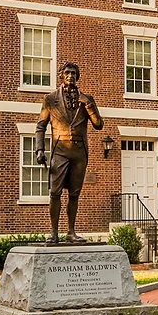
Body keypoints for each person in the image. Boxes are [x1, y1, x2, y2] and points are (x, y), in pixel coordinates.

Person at [34, 61, 104, 244]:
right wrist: (39, 149)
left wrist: (89, 105)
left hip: (79, 153)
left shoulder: (86, 99)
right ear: (61, 75)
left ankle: (71, 232)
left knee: (74, 194)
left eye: (73, 73)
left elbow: (98, 125)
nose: (70, 76)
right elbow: (40, 126)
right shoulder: (50, 99)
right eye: (67, 73)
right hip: (60, 151)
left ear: (77, 76)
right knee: (55, 193)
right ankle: (54, 232)